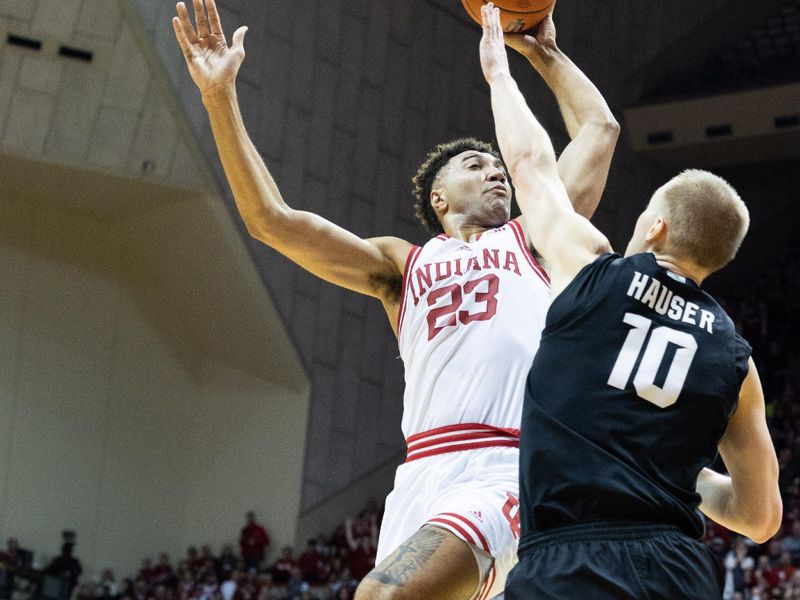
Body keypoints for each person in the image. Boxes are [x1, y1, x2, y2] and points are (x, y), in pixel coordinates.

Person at [172, 1, 618, 597]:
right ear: (439, 197)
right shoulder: (401, 265)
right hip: (421, 478)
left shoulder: (537, 238)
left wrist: (543, 51)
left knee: (382, 595)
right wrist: (218, 100)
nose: (497, 173)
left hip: (506, 465)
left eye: (498, 166)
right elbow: (270, 221)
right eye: (475, 164)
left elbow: (599, 130)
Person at [476, 4, 782, 598]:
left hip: (569, 561)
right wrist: (667, 470)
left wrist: (502, 72)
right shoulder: (736, 361)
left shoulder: (592, 269)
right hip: (677, 569)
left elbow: (531, 165)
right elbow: (760, 517)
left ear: (657, 227)